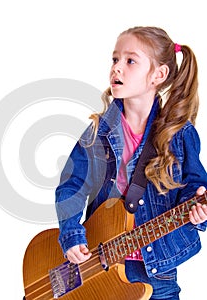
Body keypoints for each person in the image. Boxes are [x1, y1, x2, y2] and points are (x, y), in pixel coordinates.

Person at [55, 26, 207, 300]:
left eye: (130, 61)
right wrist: (72, 235)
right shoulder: (98, 132)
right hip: (102, 267)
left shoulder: (180, 135)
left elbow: (194, 186)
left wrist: (196, 208)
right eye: (115, 59)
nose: (117, 68)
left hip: (157, 270)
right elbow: (71, 186)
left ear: (158, 75)